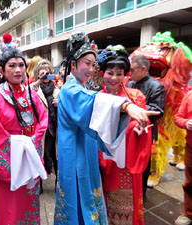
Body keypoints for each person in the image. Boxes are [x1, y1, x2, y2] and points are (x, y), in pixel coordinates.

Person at [53, 32, 159, 225]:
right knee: (80, 204)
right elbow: (93, 103)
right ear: (73, 64)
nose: (90, 69)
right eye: (87, 62)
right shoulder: (71, 89)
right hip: (77, 158)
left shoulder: (81, 87)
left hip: (88, 156)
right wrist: (126, 106)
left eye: (93, 64)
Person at [0, 47, 48, 224]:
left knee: (28, 203)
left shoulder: (31, 94)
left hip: (29, 156)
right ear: (2, 70)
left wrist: (33, 140)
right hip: (8, 161)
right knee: (7, 207)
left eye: (21, 65)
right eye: (12, 65)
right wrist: (18, 143)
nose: (18, 69)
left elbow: (43, 118)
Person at [97, 45, 152, 225]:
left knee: (127, 208)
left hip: (128, 161)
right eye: (110, 72)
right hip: (104, 161)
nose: (114, 78)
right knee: (103, 205)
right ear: (102, 73)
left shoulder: (137, 97)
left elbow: (143, 124)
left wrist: (139, 130)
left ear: (125, 74)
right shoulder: (96, 98)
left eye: (119, 73)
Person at [127, 54, 165, 196]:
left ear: (143, 69)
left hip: (146, 132)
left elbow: (158, 110)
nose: (130, 74)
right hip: (129, 131)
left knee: (142, 166)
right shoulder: (130, 84)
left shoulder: (156, 86)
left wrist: (134, 109)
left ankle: (140, 197)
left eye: (132, 70)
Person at [31, 59, 60, 192]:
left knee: (56, 156)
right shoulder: (34, 89)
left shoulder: (58, 90)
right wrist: (38, 82)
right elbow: (26, 94)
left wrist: (60, 104)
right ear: (37, 75)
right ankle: (39, 184)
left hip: (55, 128)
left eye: (48, 73)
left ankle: (57, 182)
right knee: (40, 155)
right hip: (40, 129)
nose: (45, 76)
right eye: (42, 73)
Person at [174, 89, 192, 225]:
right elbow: (178, 117)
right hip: (191, 146)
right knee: (190, 182)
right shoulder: (190, 95)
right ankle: (189, 213)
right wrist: (186, 123)